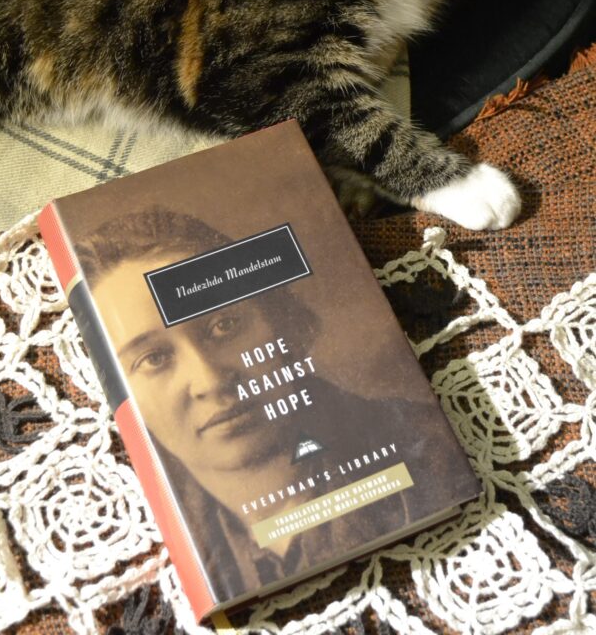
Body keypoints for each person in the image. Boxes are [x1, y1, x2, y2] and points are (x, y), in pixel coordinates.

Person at [77, 207, 475, 604]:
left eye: (224, 326)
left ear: (276, 318)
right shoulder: (147, 552)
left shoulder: (430, 451)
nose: (210, 381)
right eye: (153, 359)